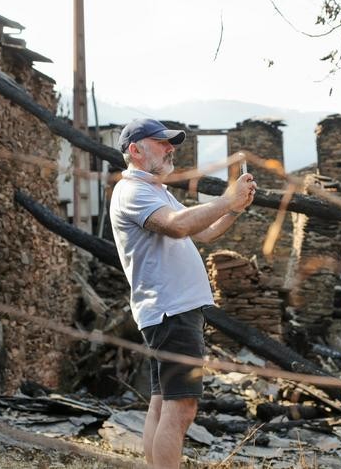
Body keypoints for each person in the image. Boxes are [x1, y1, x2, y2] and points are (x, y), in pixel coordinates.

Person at [109, 118, 256, 468]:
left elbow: (202, 233)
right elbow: (179, 227)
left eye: (170, 142)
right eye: (161, 143)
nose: (170, 147)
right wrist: (225, 199)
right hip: (170, 311)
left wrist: (234, 208)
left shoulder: (155, 189)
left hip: (171, 311)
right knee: (182, 408)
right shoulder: (133, 190)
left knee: (162, 404)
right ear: (135, 150)